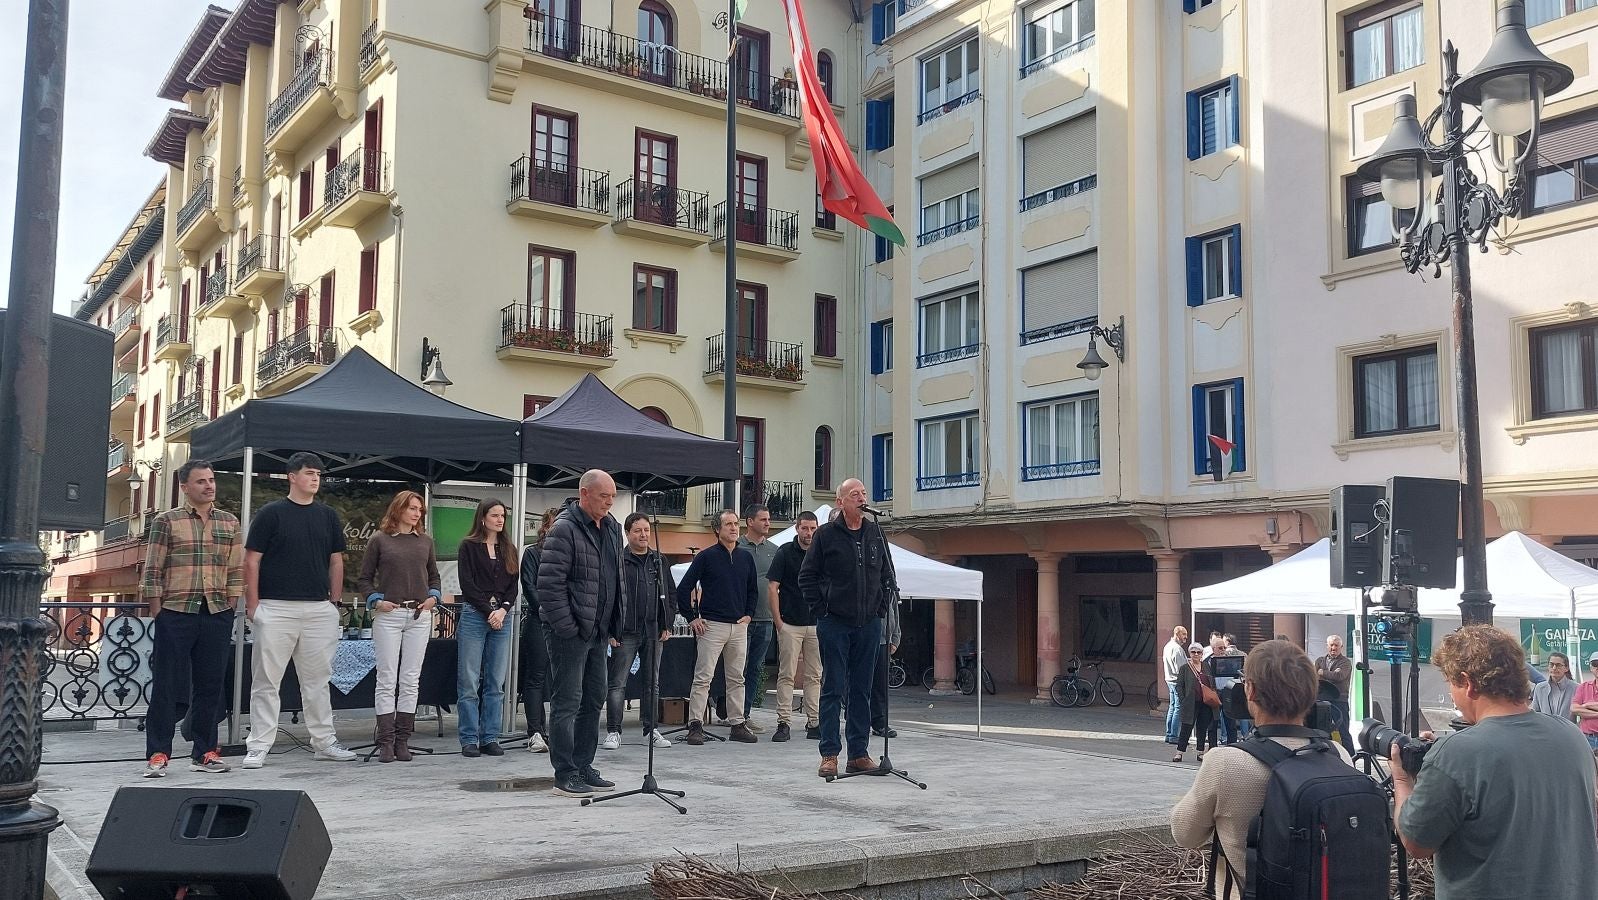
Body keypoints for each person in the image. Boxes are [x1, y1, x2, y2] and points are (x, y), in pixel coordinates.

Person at [1393, 625, 1598, 897]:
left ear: (1468, 683)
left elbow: (1416, 842)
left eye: (1450, 683)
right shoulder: (1571, 735)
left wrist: (1401, 778)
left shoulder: (1458, 753)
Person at [1172, 640, 1353, 891]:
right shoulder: (1339, 755)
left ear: (1250, 691)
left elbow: (1184, 834)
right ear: (1313, 693)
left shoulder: (1224, 763)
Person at [243, 452, 356, 769]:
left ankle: (324, 742)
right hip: (276, 607)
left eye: (319, 473)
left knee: (318, 680)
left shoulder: (328, 516)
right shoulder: (270, 514)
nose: (316, 478)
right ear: (291, 476)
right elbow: (252, 560)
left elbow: (336, 560)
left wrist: (333, 602)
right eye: (309, 472)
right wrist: (253, 605)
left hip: (319, 608)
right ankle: (259, 745)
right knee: (266, 680)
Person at [140, 459, 243, 777]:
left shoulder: (229, 522)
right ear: (185, 487)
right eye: (201, 481)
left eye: (211, 480)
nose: (209, 486)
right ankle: (158, 753)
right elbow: (153, 566)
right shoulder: (166, 521)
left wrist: (232, 601)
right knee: (167, 685)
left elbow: (236, 567)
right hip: (176, 611)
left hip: (215, 612)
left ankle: (206, 752)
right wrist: (157, 608)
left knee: (211, 686)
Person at [799, 478, 896, 779]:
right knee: (833, 687)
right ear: (841, 502)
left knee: (862, 691)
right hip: (835, 623)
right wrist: (822, 611)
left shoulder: (876, 533)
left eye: (864, 493)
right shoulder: (826, 535)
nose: (861, 498)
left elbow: (886, 577)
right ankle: (829, 754)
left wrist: (879, 611)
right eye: (854, 494)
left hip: (868, 624)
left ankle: (858, 753)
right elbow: (807, 578)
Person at [538, 470, 625, 798]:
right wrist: (568, 627)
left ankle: (584, 764)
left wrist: (615, 622)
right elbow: (549, 585)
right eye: (605, 496)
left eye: (613, 497)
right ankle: (565, 770)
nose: (610, 502)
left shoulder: (613, 528)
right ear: (585, 493)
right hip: (571, 633)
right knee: (567, 700)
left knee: (593, 698)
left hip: (599, 632)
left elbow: (616, 579)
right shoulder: (564, 528)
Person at [356, 490, 441, 763]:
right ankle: (386, 742)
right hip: (389, 614)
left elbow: (435, 577)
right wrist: (375, 600)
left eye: (420, 509)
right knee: (387, 677)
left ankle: (403, 739)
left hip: (418, 615)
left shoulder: (425, 542)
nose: (417, 513)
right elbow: (364, 578)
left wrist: (433, 598)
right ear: (399, 509)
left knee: (410, 678)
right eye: (412, 508)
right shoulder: (379, 540)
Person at [675, 509, 759, 745]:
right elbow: (684, 588)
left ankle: (737, 723)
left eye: (736, 524)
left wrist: (749, 615)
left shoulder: (746, 558)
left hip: (739, 626)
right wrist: (692, 617)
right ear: (717, 530)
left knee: (737, 678)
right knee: (703, 678)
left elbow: (753, 590)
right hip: (712, 625)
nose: (734, 528)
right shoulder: (706, 557)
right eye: (728, 524)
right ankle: (695, 725)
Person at [602, 512, 675, 751]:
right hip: (626, 631)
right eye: (638, 531)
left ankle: (650, 729)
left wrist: (668, 623)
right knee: (617, 683)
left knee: (652, 682)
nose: (643, 535)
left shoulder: (659, 560)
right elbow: (609, 596)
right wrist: (612, 629)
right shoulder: (618, 560)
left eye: (646, 530)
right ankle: (614, 731)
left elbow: (670, 594)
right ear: (627, 533)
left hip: (653, 629)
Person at [455, 498, 518, 758]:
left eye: (502, 515)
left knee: (496, 681)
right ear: (483, 518)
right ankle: (469, 738)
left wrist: (502, 610)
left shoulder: (509, 548)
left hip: (503, 617)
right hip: (474, 615)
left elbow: (513, 584)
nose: (500, 519)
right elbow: (467, 584)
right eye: (494, 515)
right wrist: (488, 611)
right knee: (469, 679)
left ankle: (489, 736)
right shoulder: (468, 546)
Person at [767, 511, 822, 742]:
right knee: (786, 675)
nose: (809, 533)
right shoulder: (784, 552)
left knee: (815, 676)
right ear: (797, 528)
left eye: (812, 529)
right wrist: (778, 621)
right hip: (790, 623)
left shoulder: (823, 553)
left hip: (817, 624)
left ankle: (814, 722)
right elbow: (772, 587)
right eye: (805, 528)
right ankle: (784, 723)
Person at [518, 508, 560, 754]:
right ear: (546, 525)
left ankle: (558, 732)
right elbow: (529, 586)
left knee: (560, 680)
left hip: (565, 623)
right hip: (539, 620)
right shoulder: (533, 553)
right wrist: (548, 613)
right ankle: (535, 732)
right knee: (535, 677)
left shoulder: (570, 552)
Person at [737, 504, 778, 732]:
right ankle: (732, 713)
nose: (767, 523)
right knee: (737, 669)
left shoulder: (774, 549)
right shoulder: (737, 547)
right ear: (749, 522)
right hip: (742, 619)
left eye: (768, 519)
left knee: (755, 668)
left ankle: (745, 714)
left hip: (766, 619)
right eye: (763, 519)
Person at [1172, 643, 1216, 763]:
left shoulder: (1206, 666)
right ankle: (1179, 753)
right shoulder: (1185, 668)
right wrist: (1183, 699)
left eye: (1198, 652)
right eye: (1193, 652)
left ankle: (1200, 752)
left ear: (1202, 654)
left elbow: (1212, 682)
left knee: (1202, 728)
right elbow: (1179, 686)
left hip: (1205, 703)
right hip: (1191, 703)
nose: (1196, 654)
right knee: (1186, 727)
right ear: (1189, 653)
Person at [869, 589, 901, 739]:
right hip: (865, 639)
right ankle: (857, 721)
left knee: (881, 686)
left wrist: (895, 638)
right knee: (859, 684)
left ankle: (880, 723)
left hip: (884, 641)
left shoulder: (889, 588)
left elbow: (895, 611)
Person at [1315, 633, 1354, 751]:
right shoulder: (1319, 660)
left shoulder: (1345, 662)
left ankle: (1351, 756)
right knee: (1322, 729)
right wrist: (1331, 674)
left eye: (1336, 645)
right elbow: (1315, 675)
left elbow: (1340, 676)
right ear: (1327, 646)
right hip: (1322, 699)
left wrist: (1324, 672)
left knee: (1343, 730)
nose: (1333, 648)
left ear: (1341, 647)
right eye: (1331, 645)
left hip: (1339, 700)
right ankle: (1328, 753)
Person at [1162, 625, 1190, 746]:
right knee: (1177, 707)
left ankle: (1169, 734)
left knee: (1172, 707)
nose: (1186, 637)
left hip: (1169, 679)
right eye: (1184, 634)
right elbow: (1181, 669)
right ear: (1177, 634)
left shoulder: (1168, 646)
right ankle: (1173, 735)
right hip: (1176, 680)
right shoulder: (1177, 649)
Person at [1530, 651, 1576, 723]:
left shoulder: (1576, 688)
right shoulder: (1540, 688)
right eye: (1551, 664)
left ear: (1566, 668)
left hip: (1568, 732)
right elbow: (1536, 713)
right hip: (1546, 731)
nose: (1554, 668)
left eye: (1558, 665)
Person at [1571, 650, 1598, 750]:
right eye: (1595, 664)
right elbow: (1574, 709)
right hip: (1587, 738)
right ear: (1591, 667)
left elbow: (1579, 709)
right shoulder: (1583, 687)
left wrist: (1587, 705)